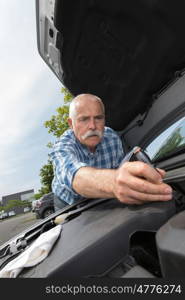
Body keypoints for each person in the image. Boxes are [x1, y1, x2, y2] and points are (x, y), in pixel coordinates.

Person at [49, 93, 172, 211]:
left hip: (103, 196)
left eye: (98, 118)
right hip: (68, 202)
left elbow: (120, 169)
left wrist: (136, 178)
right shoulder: (62, 146)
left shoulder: (112, 137)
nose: (92, 126)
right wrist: (115, 183)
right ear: (71, 124)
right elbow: (74, 176)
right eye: (84, 119)